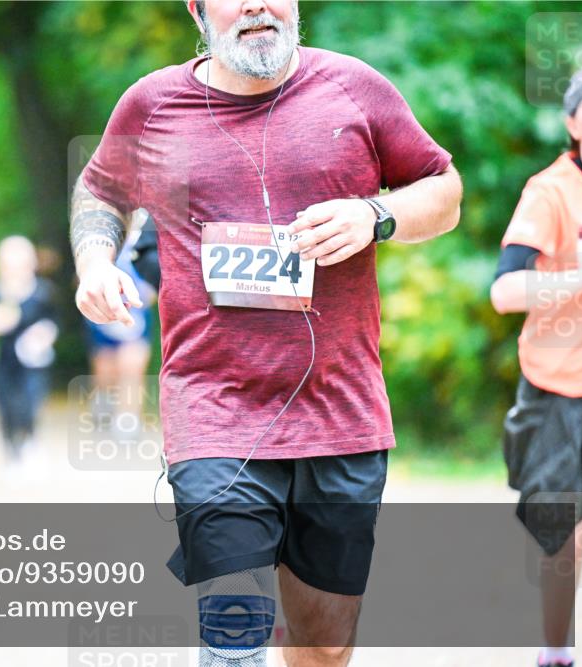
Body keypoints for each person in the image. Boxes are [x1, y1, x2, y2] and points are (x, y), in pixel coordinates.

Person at [70, 1, 463, 665]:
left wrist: (376, 215)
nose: (257, 3)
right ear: (196, 9)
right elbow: (102, 191)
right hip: (213, 410)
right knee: (234, 632)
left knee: (325, 645)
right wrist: (93, 261)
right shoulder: (153, 104)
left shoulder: (353, 89)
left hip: (341, 413)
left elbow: (443, 189)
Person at [490, 65, 582, 667]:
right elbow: (505, 293)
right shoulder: (550, 192)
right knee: (564, 535)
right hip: (556, 389)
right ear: (571, 124)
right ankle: (556, 651)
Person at [0, 236, 59, 470]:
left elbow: (53, 321)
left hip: (34, 363)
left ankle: (30, 443)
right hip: (4, 362)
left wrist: (43, 335)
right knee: (5, 406)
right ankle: (11, 454)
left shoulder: (42, 291)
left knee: (30, 403)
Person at [86, 216, 156, 441]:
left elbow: (159, 281)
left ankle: (128, 419)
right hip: (105, 320)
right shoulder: (100, 244)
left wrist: (145, 295)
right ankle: (104, 401)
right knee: (106, 370)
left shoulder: (148, 242)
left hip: (136, 318)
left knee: (132, 368)